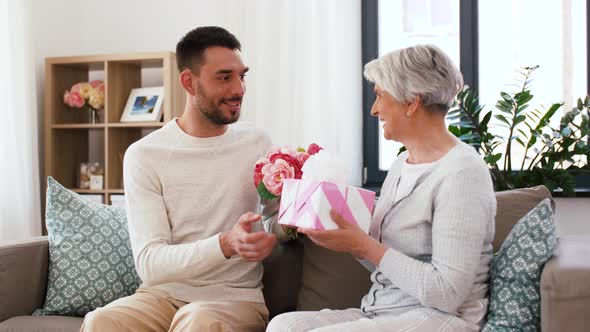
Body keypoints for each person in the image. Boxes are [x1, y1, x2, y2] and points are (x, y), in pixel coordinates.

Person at [267, 44, 496, 332]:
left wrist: (364, 245)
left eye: (379, 96)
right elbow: (385, 265)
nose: (374, 109)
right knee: (283, 326)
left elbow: (447, 293)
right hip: (385, 312)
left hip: (443, 318)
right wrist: (351, 242)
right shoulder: (402, 163)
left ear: (412, 101)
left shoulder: (462, 172)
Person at [81, 26, 285, 332]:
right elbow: (150, 263)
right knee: (100, 321)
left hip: (234, 300)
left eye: (242, 76)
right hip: (161, 297)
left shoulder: (257, 143)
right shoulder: (145, 154)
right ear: (189, 82)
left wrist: (287, 223)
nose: (239, 89)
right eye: (224, 77)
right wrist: (225, 244)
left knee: (198, 319)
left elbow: (274, 220)